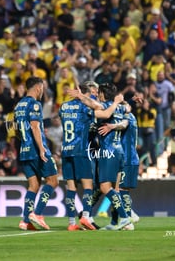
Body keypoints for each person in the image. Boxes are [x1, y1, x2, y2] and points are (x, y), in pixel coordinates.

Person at [59, 82, 123, 231]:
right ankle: (86, 217)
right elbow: (103, 110)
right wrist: (83, 98)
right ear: (84, 92)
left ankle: (71, 223)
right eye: (93, 91)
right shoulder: (85, 107)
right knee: (89, 186)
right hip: (81, 151)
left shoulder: (63, 107)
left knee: (71, 188)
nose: (95, 93)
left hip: (66, 150)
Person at [14, 77, 59, 231]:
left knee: (33, 185)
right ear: (38, 87)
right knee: (53, 181)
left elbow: (16, 131)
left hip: (24, 151)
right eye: (43, 87)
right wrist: (41, 149)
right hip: (36, 150)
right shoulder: (35, 104)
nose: (43, 91)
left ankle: (25, 220)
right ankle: (37, 214)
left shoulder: (18, 105)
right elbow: (34, 127)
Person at [99, 104, 140, 230]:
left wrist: (112, 126)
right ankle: (114, 221)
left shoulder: (127, 118)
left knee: (122, 191)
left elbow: (123, 124)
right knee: (116, 190)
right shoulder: (129, 116)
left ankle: (128, 220)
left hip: (127, 158)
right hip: (128, 157)